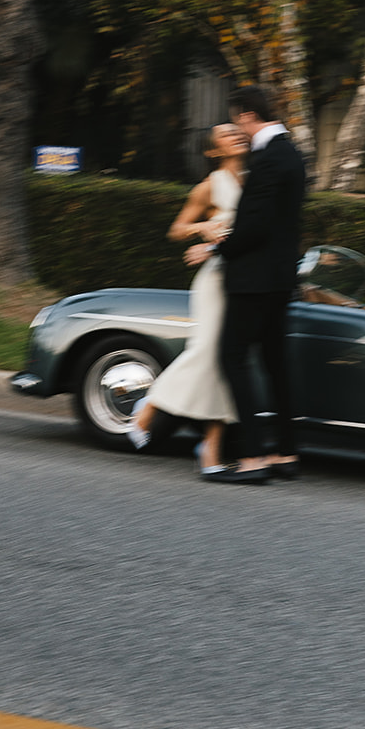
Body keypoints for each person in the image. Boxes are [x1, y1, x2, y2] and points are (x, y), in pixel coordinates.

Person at [186, 84, 305, 485]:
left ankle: (252, 457)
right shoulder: (292, 153)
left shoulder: (269, 158)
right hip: (280, 279)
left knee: (232, 357)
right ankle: (284, 452)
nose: (239, 127)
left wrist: (217, 249)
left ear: (248, 115)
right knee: (275, 364)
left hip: (253, 280)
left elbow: (255, 227)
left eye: (239, 119)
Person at [128, 122, 246, 473]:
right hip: (216, 282)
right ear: (214, 150)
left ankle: (211, 450)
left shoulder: (257, 179)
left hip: (245, 280)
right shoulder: (209, 186)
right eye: (227, 134)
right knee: (207, 352)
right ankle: (147, 412)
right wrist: (202, 229)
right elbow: (176, 229)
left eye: (238, 130)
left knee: (227, 363)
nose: (236, 135)